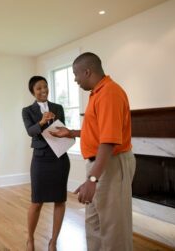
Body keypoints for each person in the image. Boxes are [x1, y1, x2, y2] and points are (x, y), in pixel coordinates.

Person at [50, 52, 136, 251]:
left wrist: (92, 180)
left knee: (114, 229)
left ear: (87, 71)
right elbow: (99, 132)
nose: (75, 79)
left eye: (76, 74)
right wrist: (71, 132)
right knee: (94, 225)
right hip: (100, 166)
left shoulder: (109, 93)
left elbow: (109, 141)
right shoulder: (97, 93)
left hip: (111, 164)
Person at [22, 76, 70, 251]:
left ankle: (54, 241)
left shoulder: (58, 107)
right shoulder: (27, 111)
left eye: (45, 87)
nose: (43, 91)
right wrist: (42, 122)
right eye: (39, 88)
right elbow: (30, 131)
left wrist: (55, 124)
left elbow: (63, 130)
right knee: (37, 202)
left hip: (60, 159)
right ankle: (30, 239)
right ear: (33, 92)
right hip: (41, 158)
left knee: (60, 200)